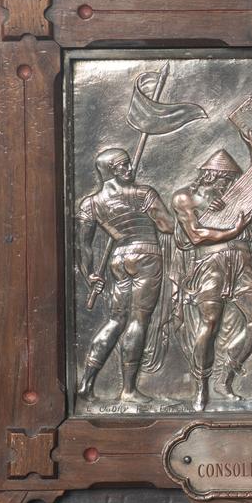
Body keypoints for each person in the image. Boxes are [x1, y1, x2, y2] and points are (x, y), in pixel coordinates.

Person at [171, 149, 252, 411]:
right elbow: (195, 235)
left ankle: (225, 377)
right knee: (210, 323)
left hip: (241, 261)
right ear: (210, 176)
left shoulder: (234, 198)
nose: (229, 185)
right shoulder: (185, 197)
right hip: (210, 264)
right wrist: (233, 229)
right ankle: (200, 387)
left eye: (232, 181)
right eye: (225, 180)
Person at [76, 148, 173, 403]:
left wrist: (89, 275)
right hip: (146, 254)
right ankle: (128, 390)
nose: (130, 169)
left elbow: (83, 246)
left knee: (115, 321)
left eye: (129, 163)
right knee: (138, 321)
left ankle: (86, 384)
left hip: (119, 259)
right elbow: (167, 226)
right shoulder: (143, 193)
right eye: (123, 165)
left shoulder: (91, 203)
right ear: (111, 170)